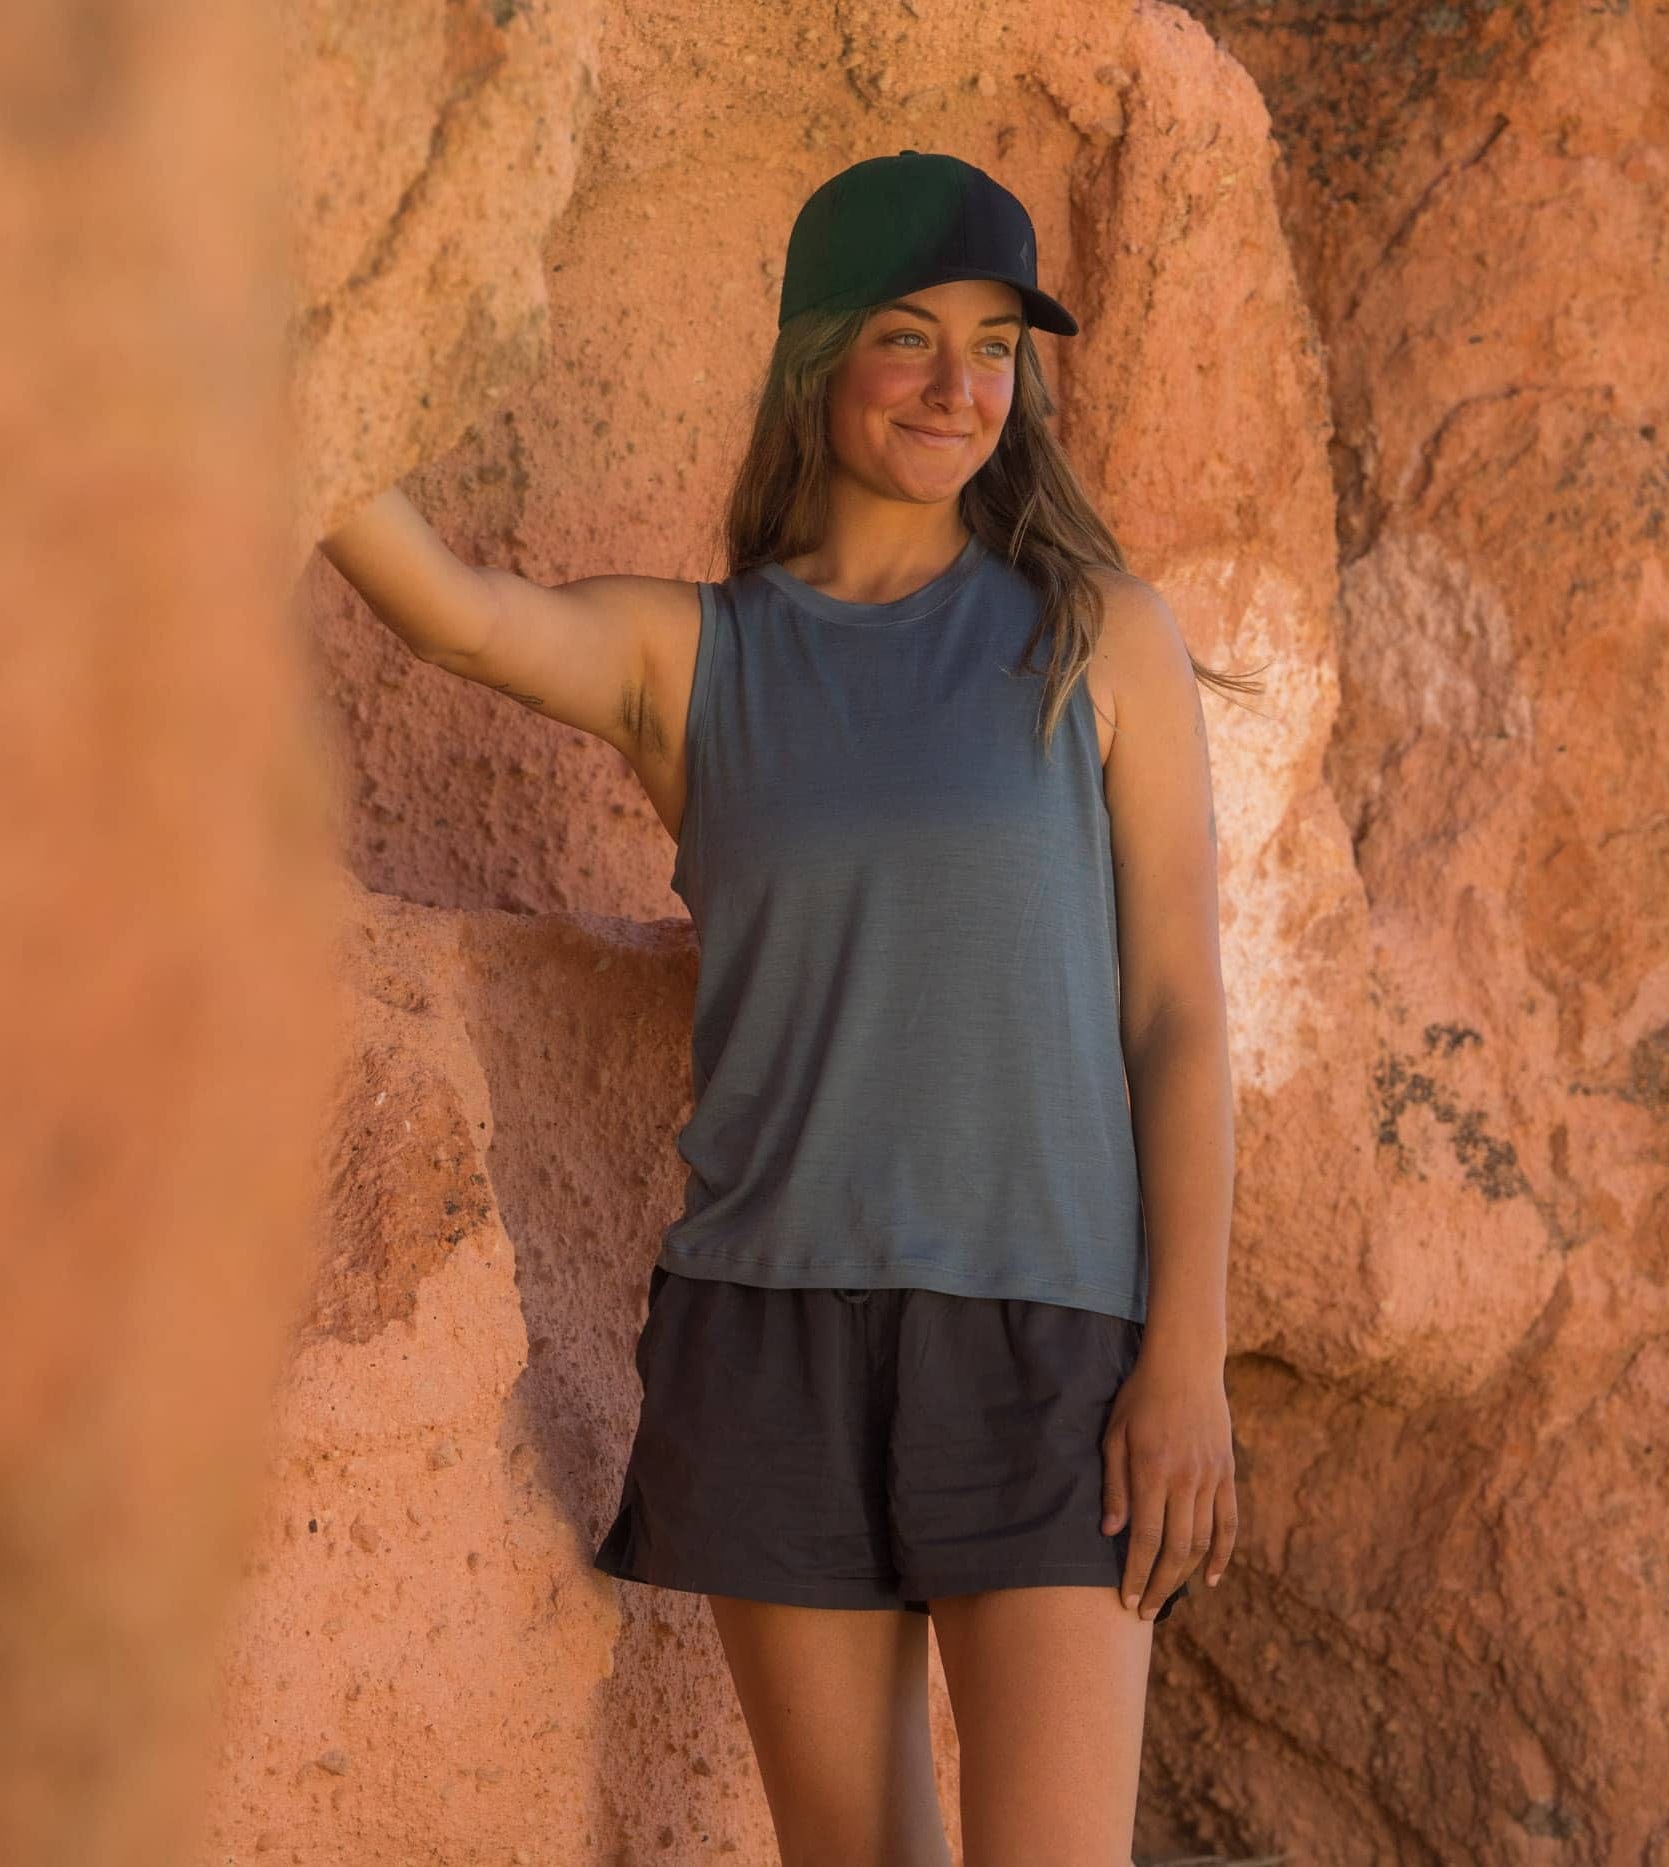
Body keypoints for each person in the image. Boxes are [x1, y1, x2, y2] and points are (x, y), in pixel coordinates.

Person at [320, 148, 1259, 1867]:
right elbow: (454, 618)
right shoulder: (699, 660)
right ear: (815, 358)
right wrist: (267, 371)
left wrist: (1181, 1364)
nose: (961, 386)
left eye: (995, 345)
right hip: (770, 1338)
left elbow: (1182, 1019)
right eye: (910, 338)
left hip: (1046, 1342)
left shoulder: (1095, 637)